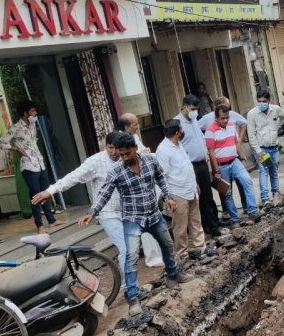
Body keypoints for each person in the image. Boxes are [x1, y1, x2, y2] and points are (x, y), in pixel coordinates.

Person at [79, 133, 191, 317]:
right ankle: (133, 296)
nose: (123, 157)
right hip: (132, 218)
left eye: (127, 153)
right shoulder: (116, 171)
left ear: (135, 149)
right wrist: (92, 212)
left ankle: (173, 274)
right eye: (121, 154)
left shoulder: (150, 162)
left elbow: (161, 178)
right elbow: (104, 193)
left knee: (168, 244)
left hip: (153, 215)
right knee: (130, 257)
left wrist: (168, 197)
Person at [31, 131, 126, 273]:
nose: (114, 152)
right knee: (125, 247)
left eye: (117, 148)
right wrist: (51, 191)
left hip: (128, 210)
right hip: (107, 211)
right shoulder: (95, 161)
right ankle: (131, 287)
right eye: (110, 148)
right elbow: (74, 176)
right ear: (105, 146)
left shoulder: (127, 157)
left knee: (132, 246)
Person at [0, 99, 64, 233]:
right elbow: (0, 142)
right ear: (25, 113)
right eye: (32, 110)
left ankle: (52, 220)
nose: (35, 113)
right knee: (35, 195)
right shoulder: (16, 128)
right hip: (28, 166)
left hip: (39, 163)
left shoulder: (33, 124)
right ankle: (39, 225)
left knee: (45, 192)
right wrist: (15, 148)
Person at [117, 112, 164, 269]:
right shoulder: (121, 143)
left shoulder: (135, 138)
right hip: (133, 193)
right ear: (126, 127)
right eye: (135, 124)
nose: (138, 127)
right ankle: (152, 257)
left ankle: (158, 254)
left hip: (146, 187)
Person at [156, 119, 207, 260]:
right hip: (177, 192)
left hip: (190, 188)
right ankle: (182, 254)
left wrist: (194, 183)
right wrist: (168, 197)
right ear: (178, 132)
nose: (184, 131)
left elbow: (186, 166)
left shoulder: (178, 144)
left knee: (195, 220)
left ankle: (200, 247)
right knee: (180, 226)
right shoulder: (163, 150)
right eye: (182, 129)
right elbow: (162, 176)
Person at [175, 94, 222, 238]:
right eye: (192, 108)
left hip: (202, 164)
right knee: (197, 198)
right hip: (190, 166)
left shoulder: (194, 119)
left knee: (208, 196)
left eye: (196, 108)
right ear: (184, 106)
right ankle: (202, 229)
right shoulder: (177, 123)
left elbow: (200, 138)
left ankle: (213, 226)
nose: (195, 111)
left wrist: (207, 154)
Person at [205, 105, 261, 225]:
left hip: (235, 161)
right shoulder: (210, 131)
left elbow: (236, 142)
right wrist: (217, 171)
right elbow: (211, 153)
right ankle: (235, 219)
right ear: (216, 117)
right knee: (227, 192)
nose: (225, 120)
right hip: (222, 166)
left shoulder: (231, 125)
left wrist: (242, 157)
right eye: (222, 118)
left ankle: (252, 211)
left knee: (247, 181)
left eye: (227, 117)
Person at [198, 97, 249, 216]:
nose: (226, 116)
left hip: (233, 154)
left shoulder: (231, 115)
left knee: (242, 182)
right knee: (223, 187)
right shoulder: (207, 119)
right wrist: (203, 144)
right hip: (218, 157)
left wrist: (240, 139)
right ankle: (226, 211)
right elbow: (196, 129)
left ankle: (246, 206)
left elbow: (244, 123)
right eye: (225, 108)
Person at [246, 88, 284, 207]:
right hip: (263, 149)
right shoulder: (252, 114)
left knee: (274, 171)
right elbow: (251, 134)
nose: (262, 103)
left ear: (269, 100)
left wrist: (277, 127)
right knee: (264, 171)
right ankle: (265, 198)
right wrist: (258, 151)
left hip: (274, 148)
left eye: (264, 101)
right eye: (259, 101)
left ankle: (275, 194)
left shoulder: (275, 110)